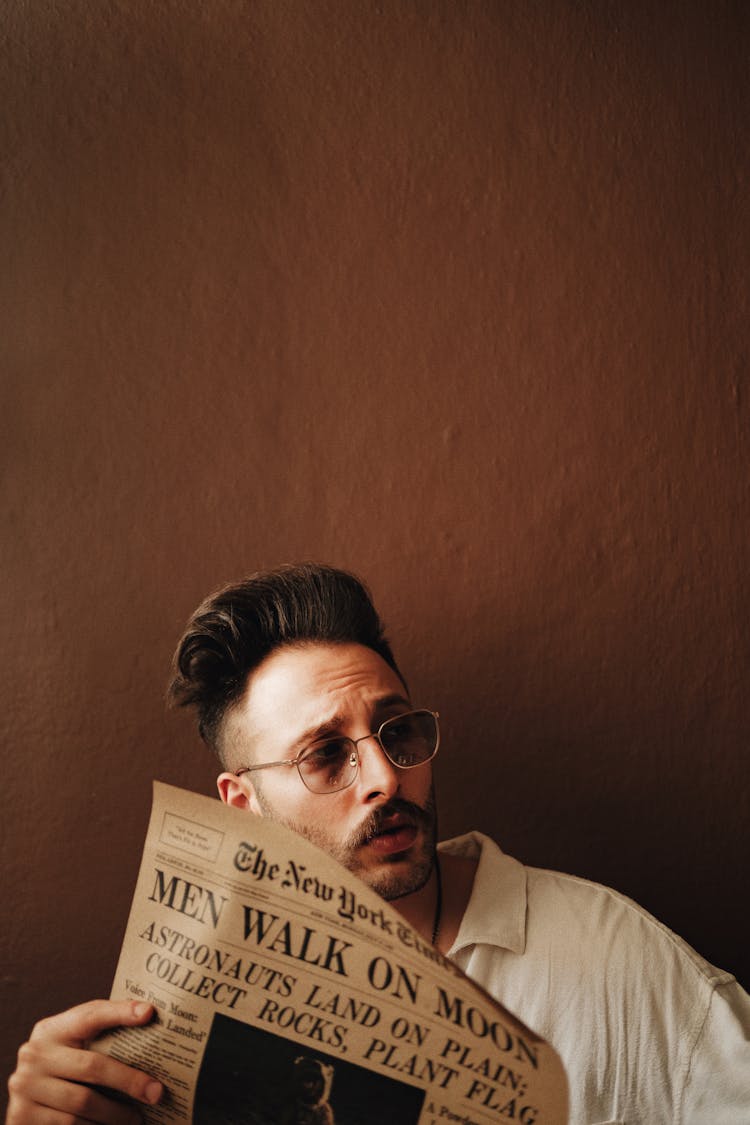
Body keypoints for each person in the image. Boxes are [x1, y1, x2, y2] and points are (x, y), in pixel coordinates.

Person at [7, 564, 750, 1124]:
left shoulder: (620, 964)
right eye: (326, 754)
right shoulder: (181, 1028)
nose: (386, 778)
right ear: (244, 805)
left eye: (398, 732)